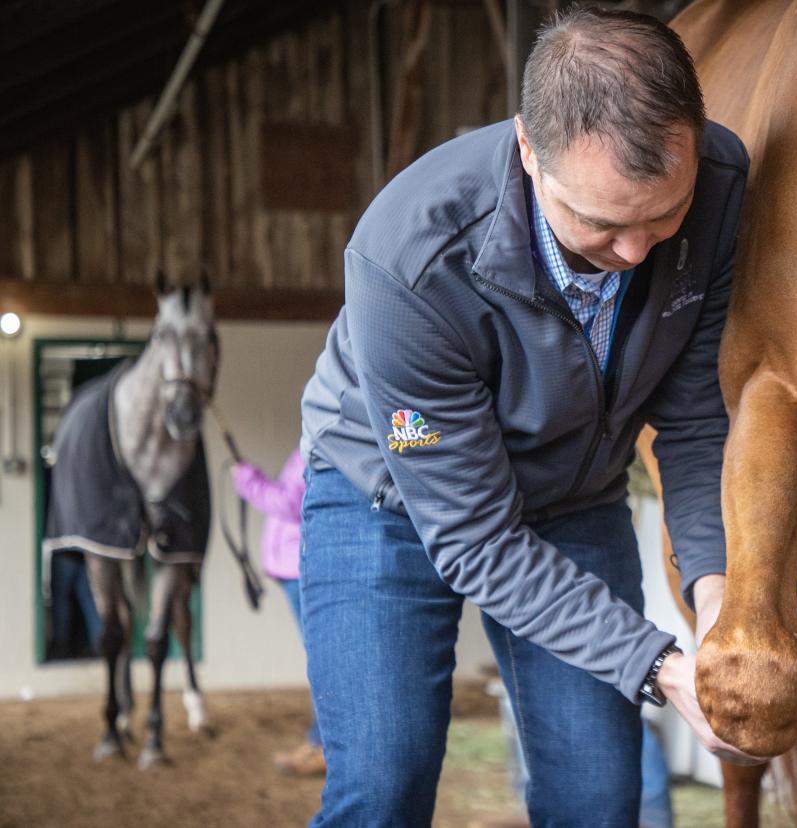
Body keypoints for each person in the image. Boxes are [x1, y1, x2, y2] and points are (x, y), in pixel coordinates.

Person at [299, 7, 759, 825]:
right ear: (527, 151)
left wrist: (717, 598)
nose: (636, 253)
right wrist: (658, 666)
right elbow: (475, 539)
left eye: (664, 216)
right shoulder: (408, 261)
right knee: (386, 783)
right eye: (604, 222)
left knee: (599, 795)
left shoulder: (720, 182)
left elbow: (691, 421)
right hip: (388, 499)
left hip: (572, 497)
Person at [230, 449, 323, 776]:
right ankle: (319, 743)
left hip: (302, 570)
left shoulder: (315, 446)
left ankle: (323, 746)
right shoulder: (305, 446)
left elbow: (290, 504)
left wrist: (248, 481)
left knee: (322, 661)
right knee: (320, 659)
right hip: (292, 570)